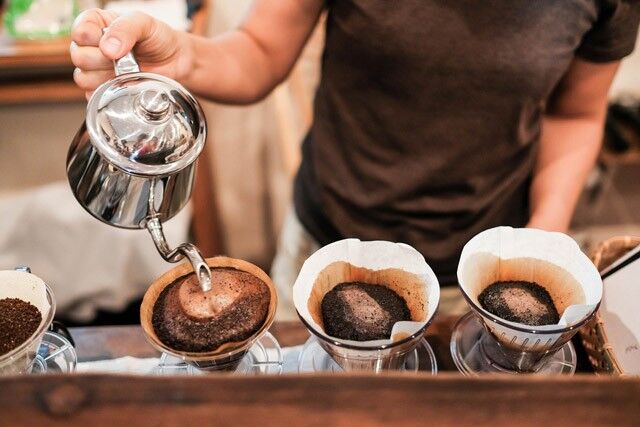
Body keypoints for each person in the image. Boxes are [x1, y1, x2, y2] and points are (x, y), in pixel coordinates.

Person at [71, 1, 640, 319]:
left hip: (482, 266)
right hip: (327, 243)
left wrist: (541, 239)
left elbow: (576, 113)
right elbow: (260, 51)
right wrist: (184, 60)